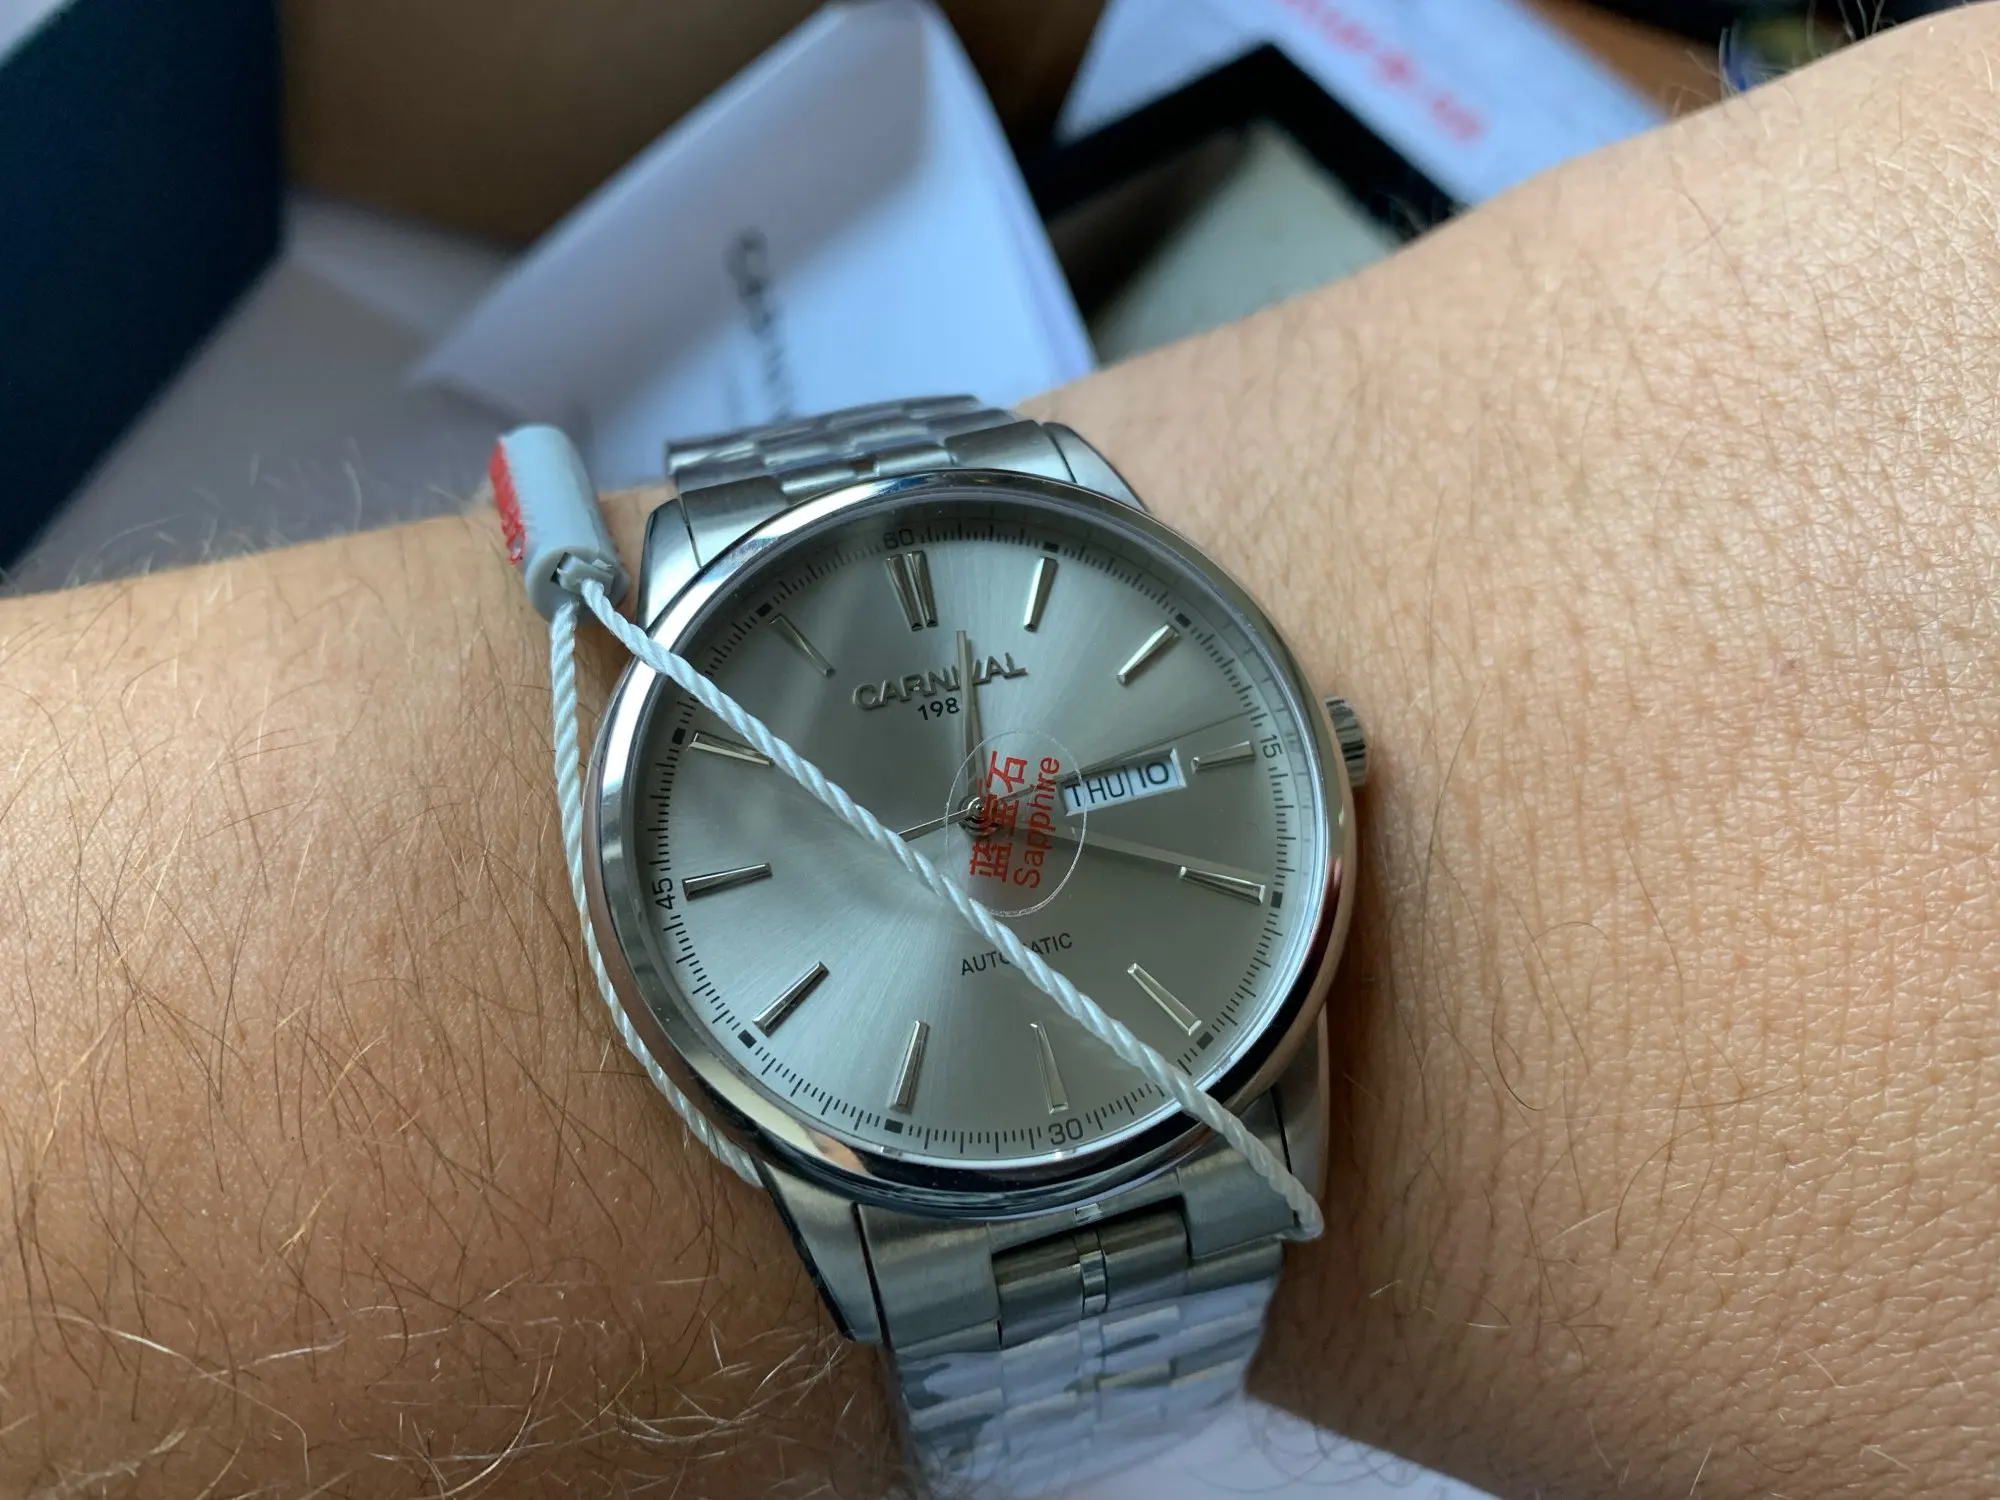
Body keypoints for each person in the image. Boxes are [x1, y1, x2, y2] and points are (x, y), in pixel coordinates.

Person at [6, 11, 2000, 1497]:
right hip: (903, 1077)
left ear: (1324, 753)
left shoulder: (1165, 696)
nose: (991, 816)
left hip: (1137, 1023)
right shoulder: (693, 856)